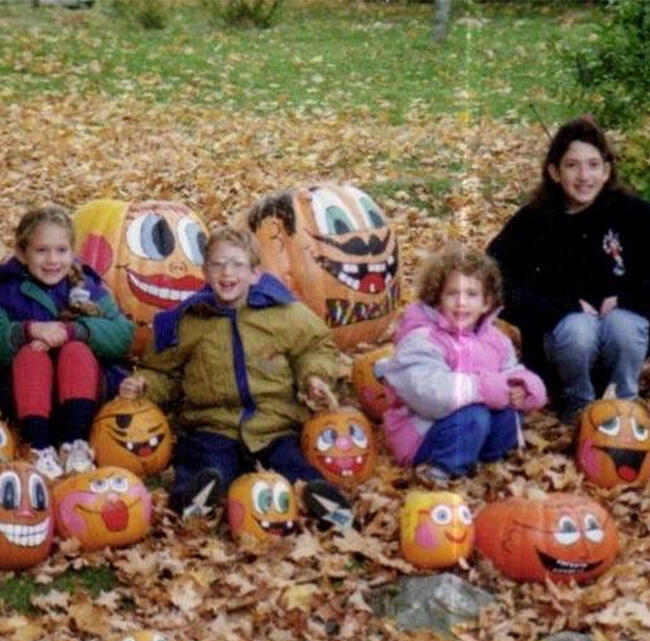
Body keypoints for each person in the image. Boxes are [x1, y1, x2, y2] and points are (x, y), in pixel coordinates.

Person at [119, 225, 353, 529]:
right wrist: (145, 385)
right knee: (207, 459)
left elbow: (316, 347)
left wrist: (314, 377)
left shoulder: (283, 313)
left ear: (255, 274)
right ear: (205, 271)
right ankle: (194, 496)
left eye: (237, 264)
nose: (227, 272)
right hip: (213, 422)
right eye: (217, 264)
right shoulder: (190, 320)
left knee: (289, 462)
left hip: (274, 423)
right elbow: (162, 370)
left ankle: (320, 498)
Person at [487, 117, 650, 424]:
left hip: (623, 337)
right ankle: (577, 407)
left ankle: (626, 404)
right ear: (554, 172)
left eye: (593, 165)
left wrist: (627, 298)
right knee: (578, 329)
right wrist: (560, 307)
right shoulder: (534, 221)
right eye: (572, 165)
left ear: (606, 170)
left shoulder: (634, 214)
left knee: (623, 325)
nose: (584, 175)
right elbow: (494, 280)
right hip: (562, 347)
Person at [375, 246, 546, 481]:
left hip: (468, 432)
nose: (461, 302)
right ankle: (442, 471)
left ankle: (486, 464)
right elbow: (429, 394)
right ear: (437, 299)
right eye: (452, 293)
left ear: (486, 303)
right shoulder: (422, 337)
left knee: (507, 414)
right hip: (422, 435)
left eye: (472, 295)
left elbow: (512, 370)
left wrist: (523, 387)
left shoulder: (496, 340)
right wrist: (485, 389)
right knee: (474, 415)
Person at [0, 206, 135, 479]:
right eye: (41, 251)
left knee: (75, 349)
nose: (52, 260)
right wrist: (28, 330)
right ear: (22, 253)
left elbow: (123, 335)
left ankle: (76, 443)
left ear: (73, 252)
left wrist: (74, 331)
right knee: (31, 355)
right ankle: (38, 448)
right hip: (25, 396)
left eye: (61, 250)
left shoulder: (87, 286)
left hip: (82, 392)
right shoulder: (6, 289)